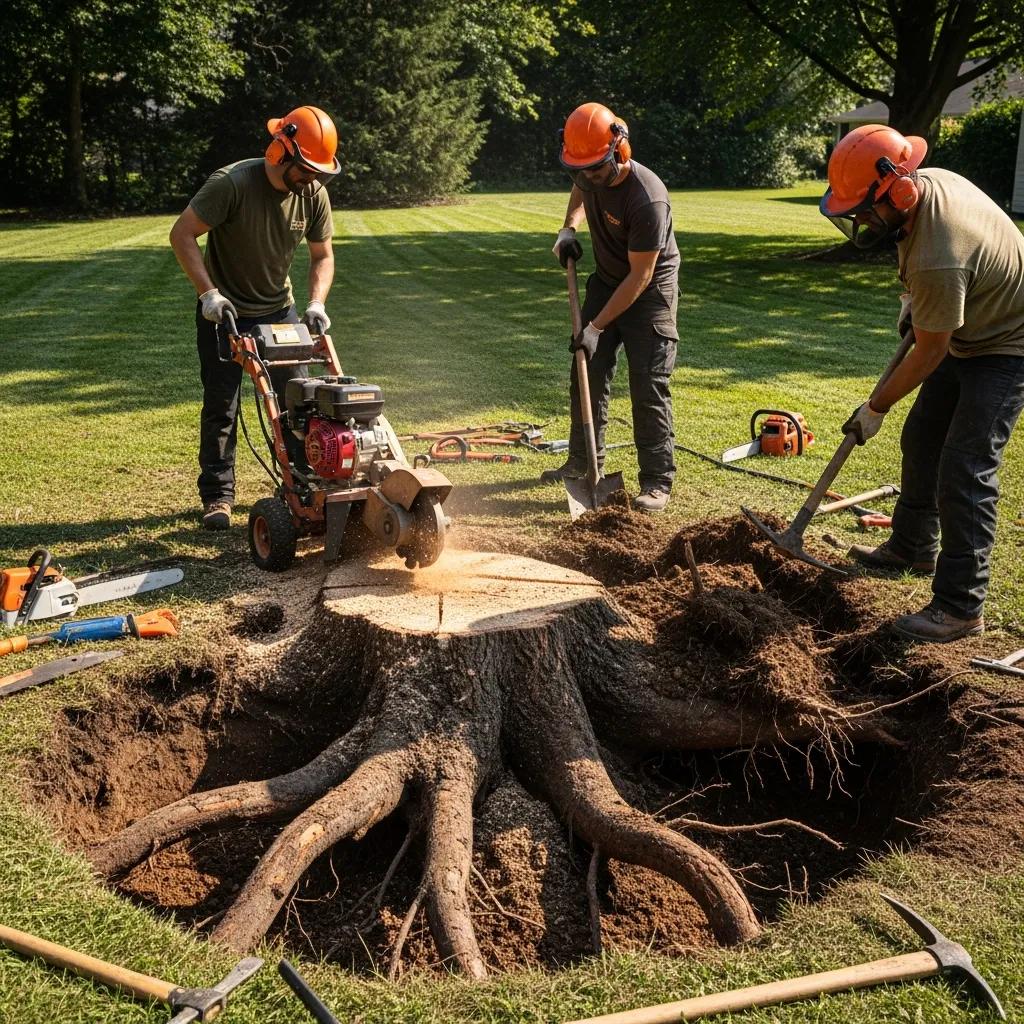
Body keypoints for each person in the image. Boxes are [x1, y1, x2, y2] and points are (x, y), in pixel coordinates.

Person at [820, 123, 1024, 642]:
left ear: (901, 190)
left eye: (866, 210)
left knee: (966, 465)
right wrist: (914, 303)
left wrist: (876, 406)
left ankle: (960, 607)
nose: (862, 220)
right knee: (923, 436)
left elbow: (931, 350)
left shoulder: (939, 250)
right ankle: (911, 546)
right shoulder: (922, 186)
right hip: (971, 318)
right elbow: (935, 306)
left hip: (1008, 342)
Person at [169, 105, 339, 530]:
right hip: (223, 312)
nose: (313, 178)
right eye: (306, 169)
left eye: (319, 171)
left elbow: (323, 256)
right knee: (222, 405)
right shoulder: (232, 184)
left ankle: (304, 486)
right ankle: (218, 497)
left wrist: (316, 304)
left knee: (299, 400)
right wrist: (208, 294)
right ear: (281, 152)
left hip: (280, 311)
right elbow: (182, 233)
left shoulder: (313, 193)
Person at [546, 102, 680, 512]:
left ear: (619, 150)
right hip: (606, 282)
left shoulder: (647, 199)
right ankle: (584, 462)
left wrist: (597, 327)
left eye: (596, 169)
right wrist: (569, 227)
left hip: (649, 292)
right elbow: (580, 188)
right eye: (581, 169)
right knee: (586, 370)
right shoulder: (589, 171)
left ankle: (657, 481)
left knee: (648, 384)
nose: (589, 177)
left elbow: (639, 277)